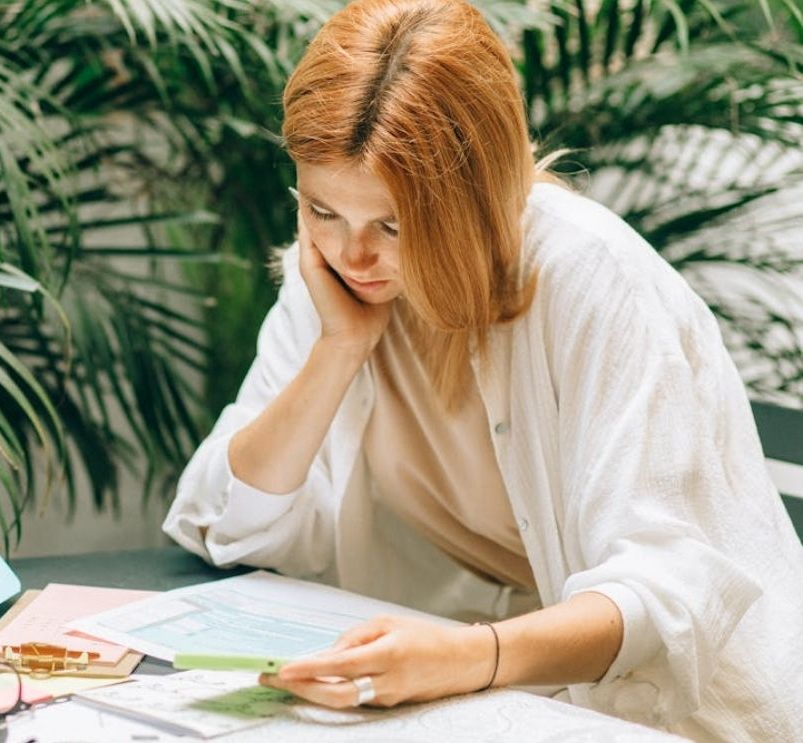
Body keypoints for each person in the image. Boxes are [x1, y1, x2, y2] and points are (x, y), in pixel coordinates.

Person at [161, 0, 803, 740]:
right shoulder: (341, 280)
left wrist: (465, 655)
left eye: (392, 224)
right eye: (319, 209)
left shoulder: (592, 279)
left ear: (472, 198)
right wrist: (336, 350)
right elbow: (229, 519)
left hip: (667, 713)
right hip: (461, 691)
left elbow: (662, 596)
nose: (350, 253)